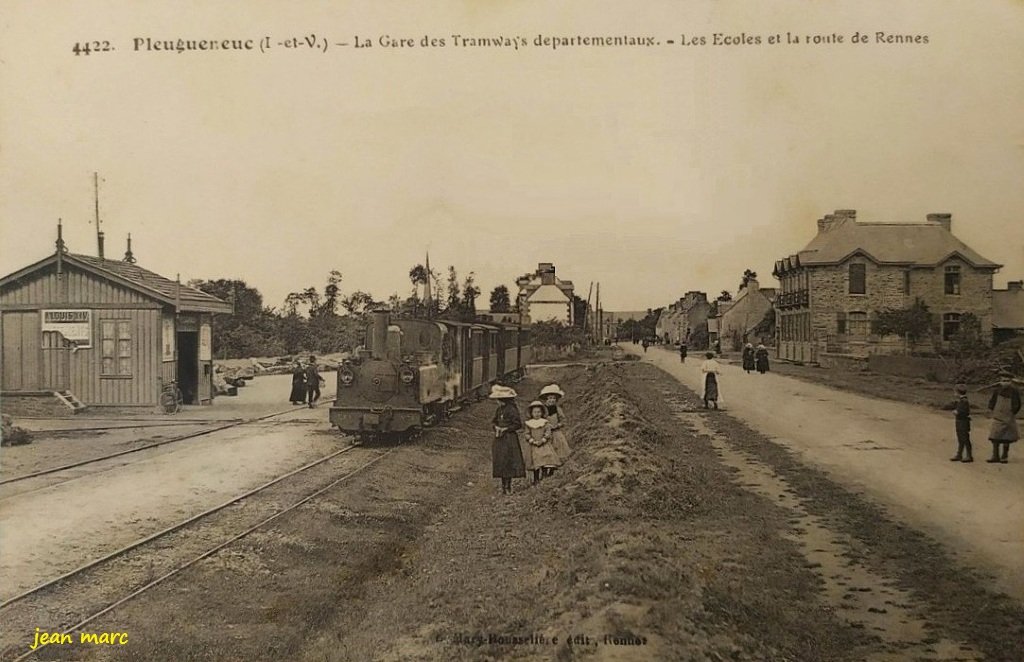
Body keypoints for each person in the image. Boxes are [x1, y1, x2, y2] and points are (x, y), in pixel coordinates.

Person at [490, 384, 526, 494]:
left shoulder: (512, 410)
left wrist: (506, 429)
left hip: (509, 439)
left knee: (508, 461)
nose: (497, 402)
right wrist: (496, 427)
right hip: (500, 439)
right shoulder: (499, 409)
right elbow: (494, 421)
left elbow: (518, 424)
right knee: (501, 461)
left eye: (498, 400)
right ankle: (503, 486)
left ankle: (508, 486)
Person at [985, 369, 1021, 463]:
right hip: (998, 416)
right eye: (1003, 381)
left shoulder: (1014, 391)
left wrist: (1012, 412)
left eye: (1007, 381)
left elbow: (1018, 404)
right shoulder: (997, 390)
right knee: (995, 436)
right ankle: (995, 456)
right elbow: (992, 401)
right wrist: (990, 409)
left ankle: (1004, 456)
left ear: (1011, 381)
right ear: (1000, 381)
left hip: (1008, 417)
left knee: (1006, 438)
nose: (1005, 383)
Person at [524, 401, 561, 482]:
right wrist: (532, 440)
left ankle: (544, 476)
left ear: (542, 412)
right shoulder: (529, 423)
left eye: (539, 412)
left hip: (544, 444)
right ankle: (536, 478)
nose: (537, 414)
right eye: (535, 412)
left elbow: (548, 432)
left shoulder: (545, 422)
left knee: (545, 459)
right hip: (534, 445)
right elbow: (527, 434)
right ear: (531, 413)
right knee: (535, 461)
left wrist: (544, 439)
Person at [541, 383, 571, 463]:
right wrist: (546, 426)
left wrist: (557, 426)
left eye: (554, 398)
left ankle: (557, 464)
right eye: (550, 398)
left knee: (559, 448)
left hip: (556, 433)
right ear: (546, 399)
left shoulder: (558, 409)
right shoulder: (543, 410)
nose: (552, 400)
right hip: (546, 433)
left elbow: (563, 421)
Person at [950, 383, 973, 463]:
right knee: (960, 438)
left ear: (957, 392)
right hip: (960, 421)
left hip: (963, 422)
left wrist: (957, 412)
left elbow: (964, 412)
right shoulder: (960, 400)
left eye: (955, 392)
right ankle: (959, 454)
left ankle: (969, 455)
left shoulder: (964, 401)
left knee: (965, 438)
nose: (954, 394)